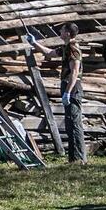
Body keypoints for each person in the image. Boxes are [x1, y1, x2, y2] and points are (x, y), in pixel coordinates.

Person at [26, 23, 87, 163]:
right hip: (68, 86)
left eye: (62, 29)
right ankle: (74, 159)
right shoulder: (66, 47)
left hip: (73, 87)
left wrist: (68, 92)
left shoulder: (73, 48)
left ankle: (79, 159)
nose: (60, 31)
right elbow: (49, 53)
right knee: (70, 122)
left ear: (67, 33)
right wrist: (34, 43)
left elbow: (75, 72)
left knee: (74, 122)